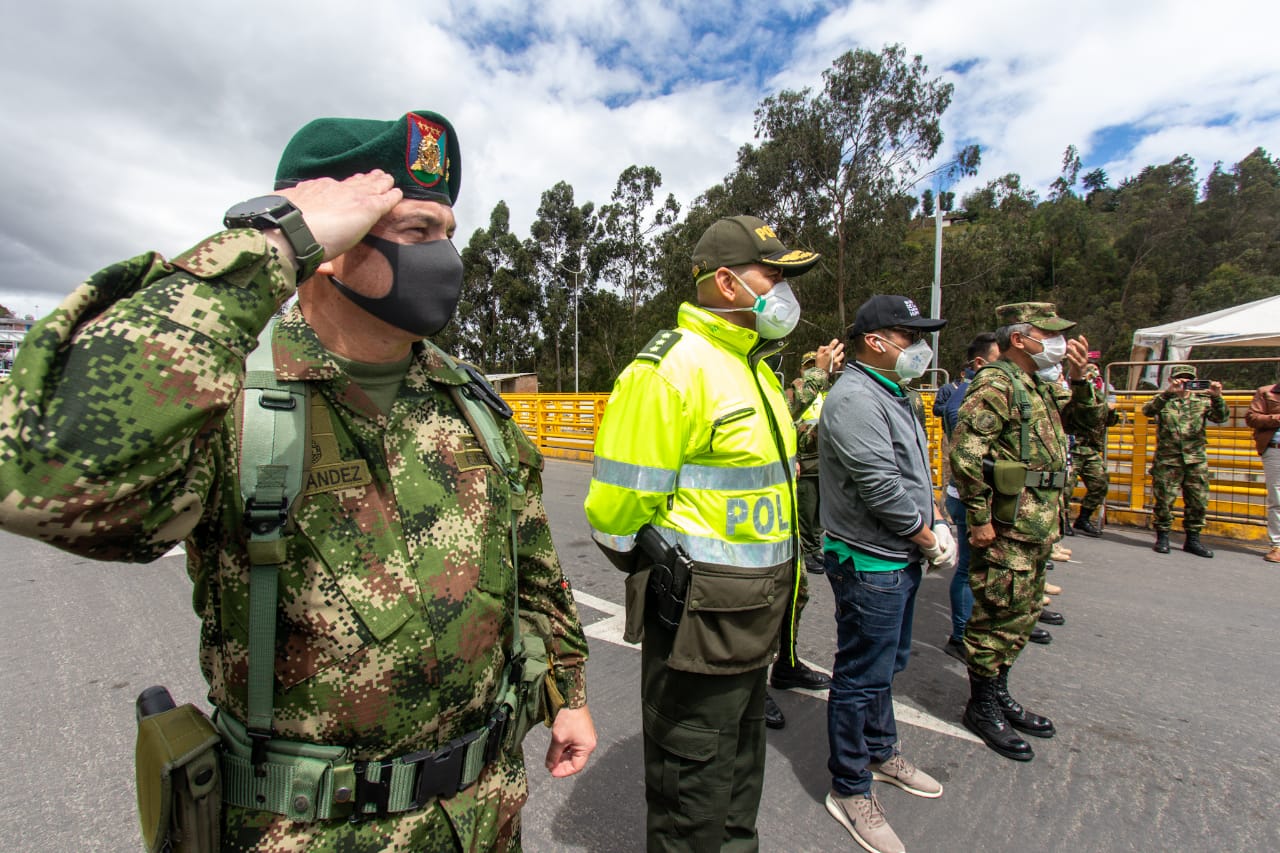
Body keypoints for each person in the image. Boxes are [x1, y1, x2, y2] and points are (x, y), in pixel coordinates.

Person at [0, 110, 595, 851]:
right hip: (310, 830)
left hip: (485, 816)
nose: (444, 255)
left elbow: (534, 565)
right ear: (328, 245)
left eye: (448, 230)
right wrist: (272, 241)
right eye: (415, 231)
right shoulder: (231, 407)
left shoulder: (472, 407)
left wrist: (564, 692)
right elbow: (38, 464)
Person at [583, 215, 819, 850]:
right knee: (692, 804)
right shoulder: (669, 371)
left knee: (739, 785)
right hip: (698, 627)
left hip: (754, 622)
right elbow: (615, 515)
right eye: (775, 276)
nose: (786, 293)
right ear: (726, 281)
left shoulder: (756, 370)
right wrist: (670, 585)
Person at [818, 295, 953, 853]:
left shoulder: (896, 393)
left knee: (886, 665)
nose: (919, 348)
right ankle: (851, 787)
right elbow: (879, 487)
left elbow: (916, 470)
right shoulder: (853, 398)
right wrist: (927, 536)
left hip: (899, 556)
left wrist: (938, 517)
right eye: (909, 336)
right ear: (876, 342)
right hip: (870, 559)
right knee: (860, 674)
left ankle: (880, 748)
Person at [950, 302, 1103, 762]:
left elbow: (1087, 425)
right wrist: (978, 520)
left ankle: (999, 692)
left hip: (1036, 522)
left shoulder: (1035, 383)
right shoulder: (996, 382)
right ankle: (982, 704)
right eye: (1047, 333)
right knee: (996, 614)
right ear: (1020, 338)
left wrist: (1080, 381)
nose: (1057, 342)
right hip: (1007, 523)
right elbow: (965, 454)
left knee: (1021, 612)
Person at [770, 345, 844, 696]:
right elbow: (781, 410)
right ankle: (753, 691)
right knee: (759, 606)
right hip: (746, 524)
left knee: (795, 593)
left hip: (780, 514)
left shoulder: (759, 378)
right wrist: (819, 371)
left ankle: (787, 663)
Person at [940, 332, 998, 662]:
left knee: (987, 568)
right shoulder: (966, 397)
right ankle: (961, 635)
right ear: (979, 362)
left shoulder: (987, 392)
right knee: (968, 569)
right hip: (968, 496)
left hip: (983, 495)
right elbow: (966, 454)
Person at [1142, 365, 1229, 557]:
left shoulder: (1202, 400)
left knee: (1198, 501)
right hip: (1168, 459)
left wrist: (1217, 396)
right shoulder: (1164, 400)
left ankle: (1193, 539)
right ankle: (1163, 536)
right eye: (1179, 378)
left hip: (1195, 459)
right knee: (1164, 501)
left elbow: (1221, 417)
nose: (1183, 382)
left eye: (1188, 378)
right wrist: (1167, 393)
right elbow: (1147, 411)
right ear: (1171, 380)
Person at [1069, 360, 1118, 536]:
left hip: (1090, 449)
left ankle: (1083, 518)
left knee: (1100, 483)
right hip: (1073, 448)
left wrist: (1110, 411)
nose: (1093, 378)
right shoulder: (1073, 395)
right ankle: (1063, 519)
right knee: (1066, 487)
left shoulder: (1101, 397)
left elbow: (1110, 421)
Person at [1244, 379, 1280, 562]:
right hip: (1276, 449)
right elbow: (1252, 418)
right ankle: (1278, 546)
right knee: (1278, 498)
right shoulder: (1267, 392)